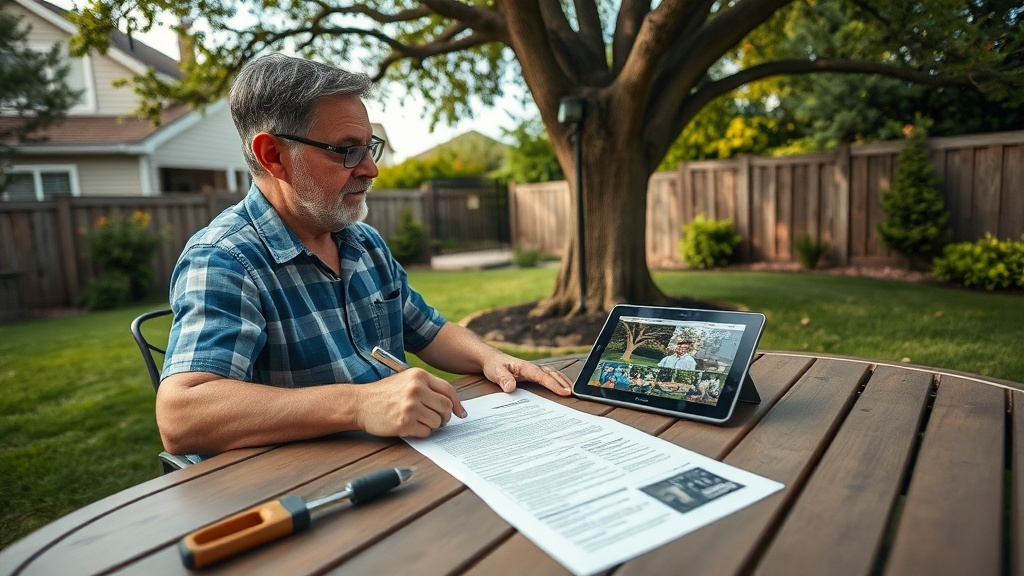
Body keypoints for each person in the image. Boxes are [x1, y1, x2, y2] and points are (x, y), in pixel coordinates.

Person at [157, 54, 572, 457]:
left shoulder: (362, 242)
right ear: (274, 156)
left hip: (400, 460)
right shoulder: (225, 259)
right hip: (307, 490)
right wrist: (358, 405)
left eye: (370, 147)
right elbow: (181, 416)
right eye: (347, 150)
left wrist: (490, 357)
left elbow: (428, 331)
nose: (371, 169)